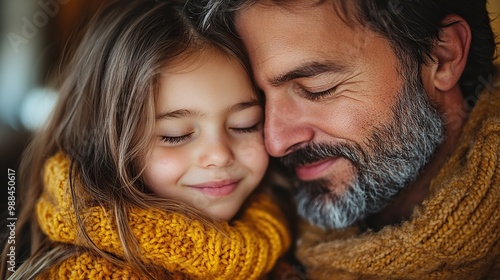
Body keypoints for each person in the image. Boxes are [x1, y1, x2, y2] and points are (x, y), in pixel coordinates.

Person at [199, 0, 500, 278]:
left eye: (318, 88)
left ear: (442, 57)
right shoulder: (248, 227)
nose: (276, 142)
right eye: (257, 104)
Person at [0, 0, 292, 279]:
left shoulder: (294, 226)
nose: (219, 155)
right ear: (106, 143)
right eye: (175, 136)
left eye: (245, 125)